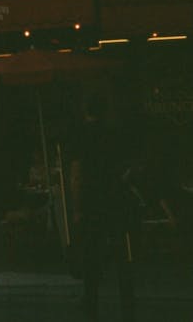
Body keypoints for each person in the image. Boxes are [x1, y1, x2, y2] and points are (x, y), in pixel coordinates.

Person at [69, 94, 135, 322]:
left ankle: (91, 302)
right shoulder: (113, 135)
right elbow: (124, 170)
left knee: (91, 256)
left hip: (91, 204)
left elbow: (77, 175)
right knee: (121, 256)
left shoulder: (81, 137)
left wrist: (76, 208)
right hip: (114, 201)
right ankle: (128, 304)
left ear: (85, 110)